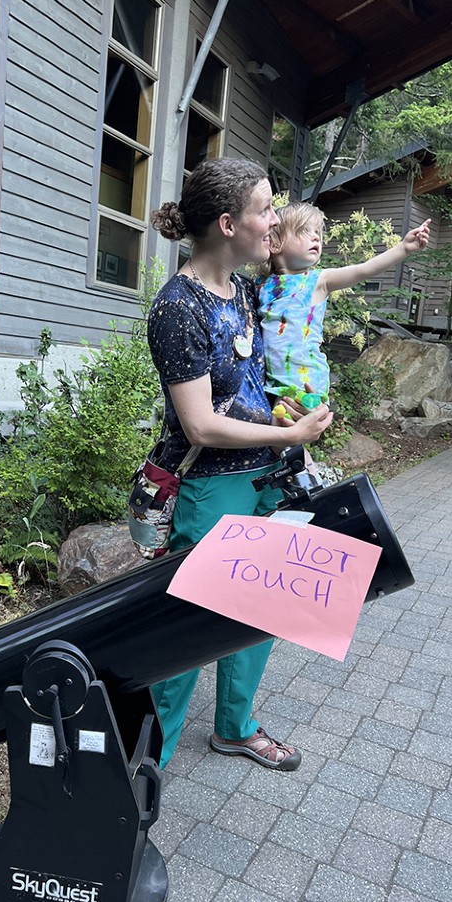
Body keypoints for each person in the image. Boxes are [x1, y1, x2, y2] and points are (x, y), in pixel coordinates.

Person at [147, 158, 334, 772]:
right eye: (266, 209)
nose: (275, 220)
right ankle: (144, 768)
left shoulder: (249, 291)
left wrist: (294, 416)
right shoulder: (179, 307)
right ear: (229, 225)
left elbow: (304, 294)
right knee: (191, 628)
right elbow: (199, 423)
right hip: (212, 484)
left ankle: (234, 727)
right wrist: (288, 436)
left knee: (258, 613)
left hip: (266, 477)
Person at [258, 200, 431, 405]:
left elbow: (364, 269)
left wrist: (404, 248)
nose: (315, 237)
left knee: (287, 431)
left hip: (304, 382)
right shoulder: (262, 286)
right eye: (304, 231)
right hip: (269, 383)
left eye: (318, 233)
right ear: (275, 243)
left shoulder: (318, 281)